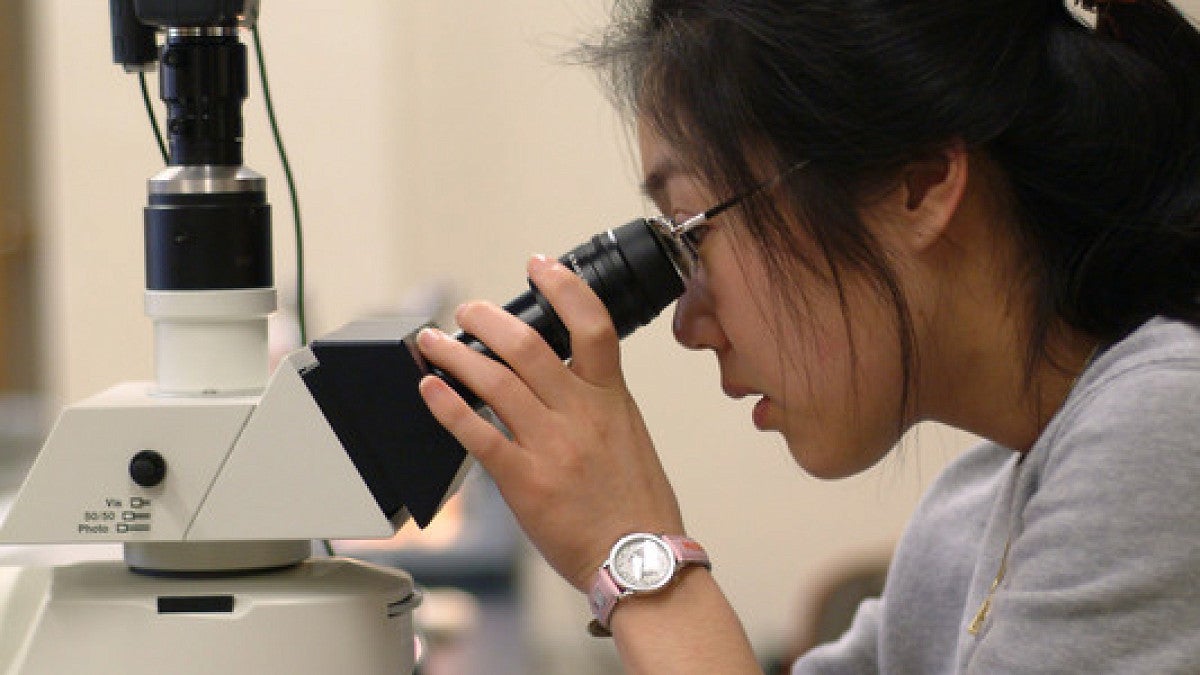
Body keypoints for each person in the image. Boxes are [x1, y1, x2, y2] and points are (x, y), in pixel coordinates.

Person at [415, 0, 1200, 672]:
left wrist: (634, 554)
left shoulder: (1165, 422)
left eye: (693, 234)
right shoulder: (967, 521)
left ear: (917, 185)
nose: (687, 324)